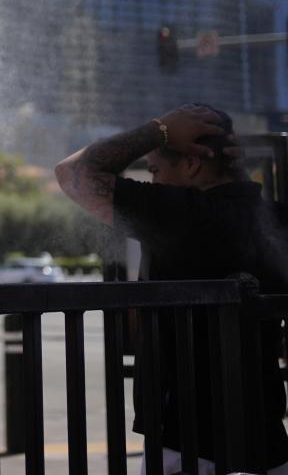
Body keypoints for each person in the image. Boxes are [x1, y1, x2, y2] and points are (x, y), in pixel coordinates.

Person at [54, 103, 288, 474]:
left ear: (192, 164)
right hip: (269, 442)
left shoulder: (178, 215)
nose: (153, 182)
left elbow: (73, 173)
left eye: (155, 170)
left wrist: (158, 130)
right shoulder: (275, 220)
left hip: (187, 445)